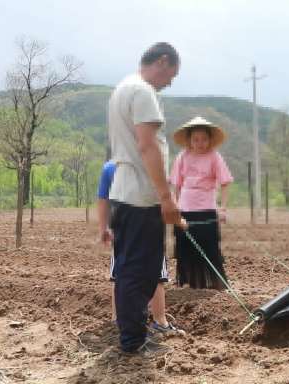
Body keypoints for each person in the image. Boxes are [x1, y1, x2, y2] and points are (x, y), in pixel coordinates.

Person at [108, 42, 185, 356]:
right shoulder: (142, 92)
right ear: (162, 61)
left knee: (135, 268)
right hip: (141, 196)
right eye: (171, 76)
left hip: (125, 192)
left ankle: (134, 337)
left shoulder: (121, 89)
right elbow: (147, 146)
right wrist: (166, 197)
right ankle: (133, 342)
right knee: (138, 271)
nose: (169, 83)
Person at [96, 159, 184, 336]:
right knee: (156, 276)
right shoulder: (152, 164)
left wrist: (103, 227)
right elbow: (165, 195)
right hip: (147, 228)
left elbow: (103, 199)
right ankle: (159, 322)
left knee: (122, 275)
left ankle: (119, 321)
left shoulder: (111, 167)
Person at [170, 117, 233, 289]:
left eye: (204, 139)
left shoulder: (214, 156)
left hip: (206, 208)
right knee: (186, 248)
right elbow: (176, 184)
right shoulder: (182, 157)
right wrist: (175, 207)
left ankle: (213, 284)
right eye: (196, 139)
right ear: (189, 140)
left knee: (209, 248)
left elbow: (225, 182)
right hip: (185, 209)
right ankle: (187, 283)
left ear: (210, 139)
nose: (200, 143)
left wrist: (223, 207)